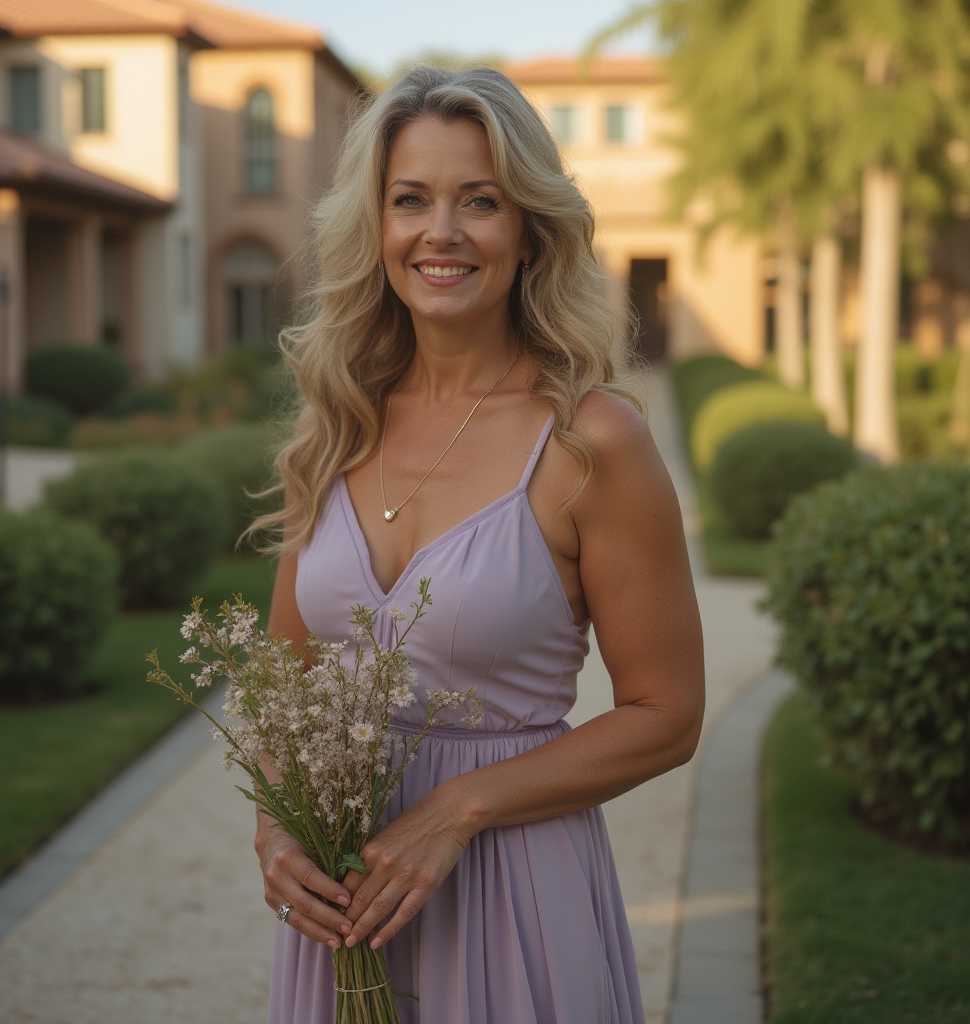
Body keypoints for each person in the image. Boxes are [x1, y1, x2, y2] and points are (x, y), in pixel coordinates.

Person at [254, 64, 704, 1024]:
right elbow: (283, 686)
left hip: (517, 892)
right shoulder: (335, 425)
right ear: (374, 228)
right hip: (346, 909)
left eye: (481, 201)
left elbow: (667, 713)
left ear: (530, 229)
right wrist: (275, 829)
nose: (441, 232)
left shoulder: (592, 441)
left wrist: (457, 811)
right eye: (410, 199)